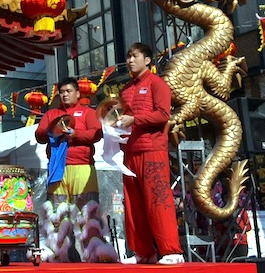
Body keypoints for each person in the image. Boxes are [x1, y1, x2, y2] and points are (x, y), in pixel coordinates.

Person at [114, 43, 183, 265]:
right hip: (130, 152)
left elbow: (163, 115)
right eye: (128, 56)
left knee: (158, 201)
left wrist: (135, 120)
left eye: (135, 56)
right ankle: (143, 252)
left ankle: (171, 250)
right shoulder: (125, 90)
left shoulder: (158, 85)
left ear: (148, 60)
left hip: (153, 150)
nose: (130, 60)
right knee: (133, 205)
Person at [35, 77, 102, 262]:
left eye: (68, 91)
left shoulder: (88, 113)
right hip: (58, 168)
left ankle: (93, 254)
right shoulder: (52, 113)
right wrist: (51, 129)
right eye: (62, 92)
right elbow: (40, 136)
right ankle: (59, 254)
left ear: (78, 93)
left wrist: (76, 134)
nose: (64, 94)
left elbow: (97, 134)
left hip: (82, 167)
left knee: (87, 213)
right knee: (57, 213)